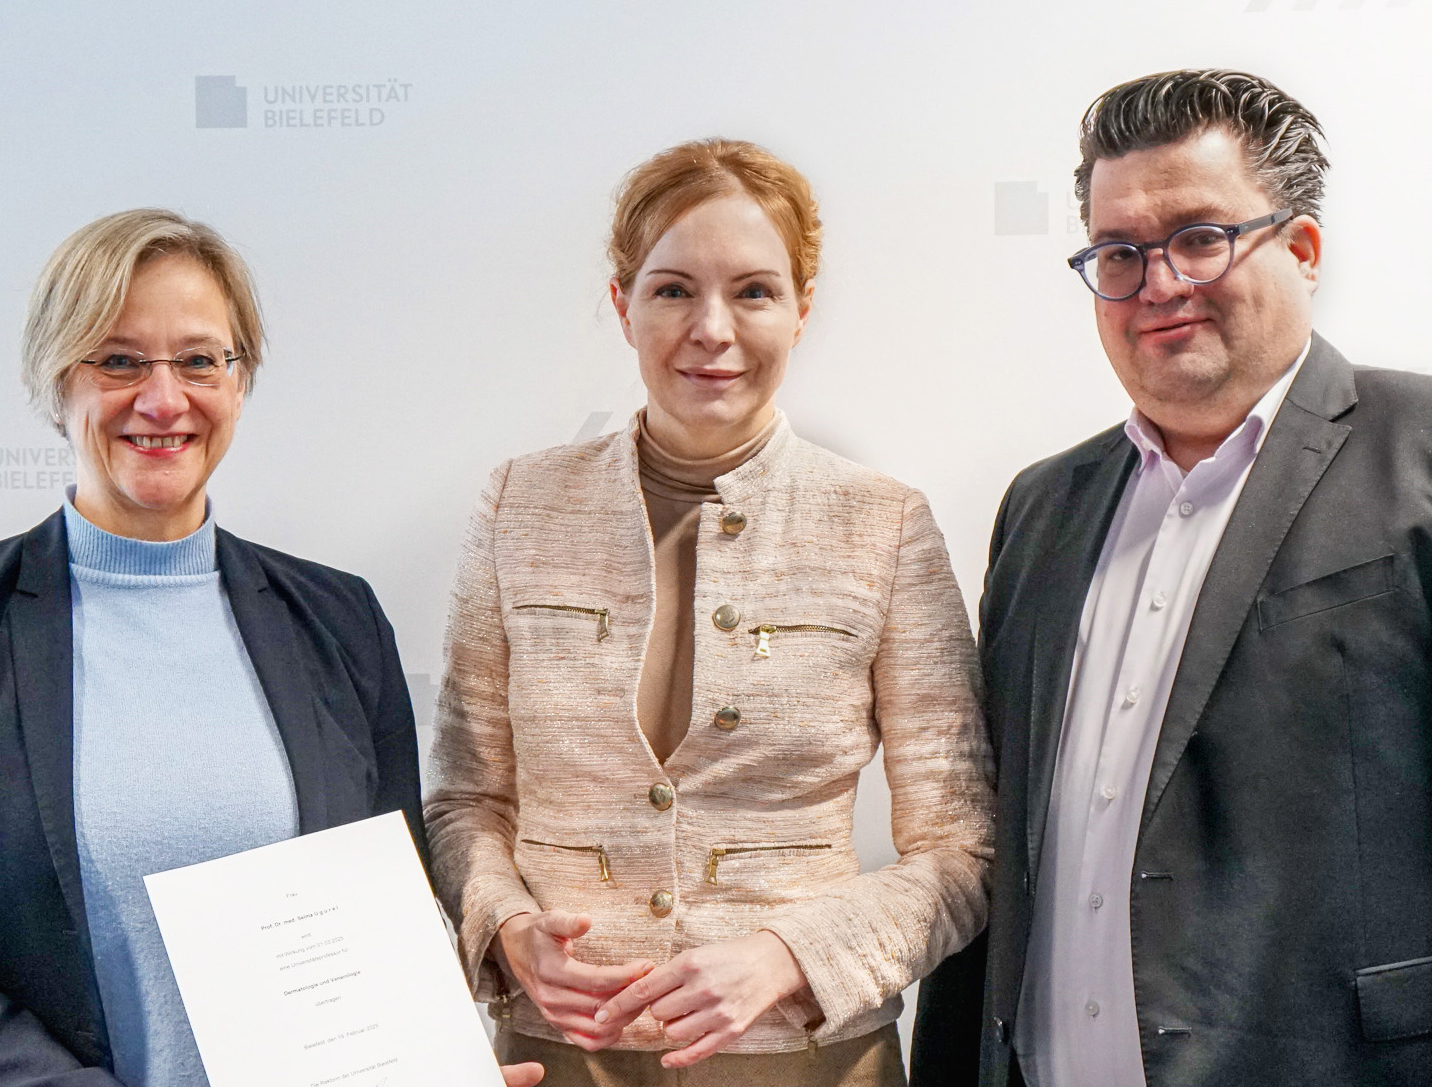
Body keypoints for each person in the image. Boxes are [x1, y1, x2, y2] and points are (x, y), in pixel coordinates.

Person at [0, 209, 542, 1087]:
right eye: (118, 359)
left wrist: (432, 1066)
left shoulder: (339, 619)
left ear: (239, 381)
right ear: (59, 380)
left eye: (201, 359)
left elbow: (393, 911)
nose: (164, 400)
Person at [425, 138, 995, 1087]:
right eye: (674, 289)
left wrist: (789, 953)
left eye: (755, 292)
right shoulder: (516, 505)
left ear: (803, 309)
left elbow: (964, 846)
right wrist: (511, 931)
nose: (712, 329)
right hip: (561, 1056)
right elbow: (465, 800)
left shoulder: (885, 523)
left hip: (808, 1057)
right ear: (623, 305)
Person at [911, 69, 1432, 1087]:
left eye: (1199, 237)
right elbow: (998, 842)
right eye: (1118, 253)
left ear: (1303, 248)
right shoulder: (1041, 510)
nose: (1156, 283)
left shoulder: (1418, 454)